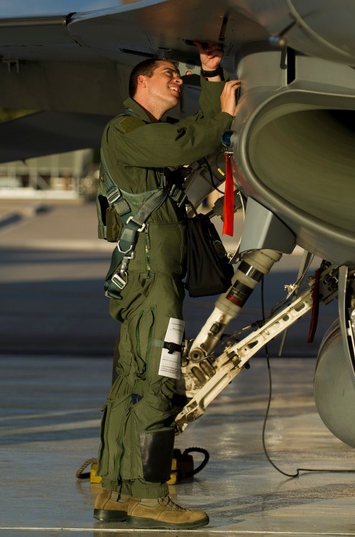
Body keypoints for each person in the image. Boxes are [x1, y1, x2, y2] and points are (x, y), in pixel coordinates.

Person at [94, 42, 240, 529]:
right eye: (167, 74)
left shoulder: (149, 131)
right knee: (158, 381)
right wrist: (222, 116)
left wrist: (211, 76)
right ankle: (151, 496)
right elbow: (189, 144)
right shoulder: (127, 130)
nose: (177, 80)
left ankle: (115, 491)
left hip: (151, 276)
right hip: (153, 280)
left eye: (180, 75)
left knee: (130, 384)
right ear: (141, 83)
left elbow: (189, 134)